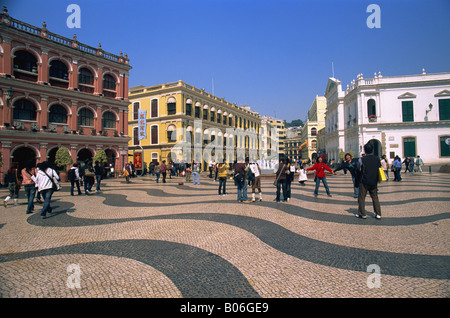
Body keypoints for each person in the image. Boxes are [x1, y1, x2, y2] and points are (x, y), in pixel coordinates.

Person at [356, 142, 382, 219]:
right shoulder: (377, 158)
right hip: (374, 180)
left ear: (365, 150)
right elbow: (379, 168)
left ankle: (362, 213)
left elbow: (358, 169)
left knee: (361, 197)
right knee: (375, 197)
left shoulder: (362, 159)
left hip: (364, 180)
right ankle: (378, 213)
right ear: (372, 150)